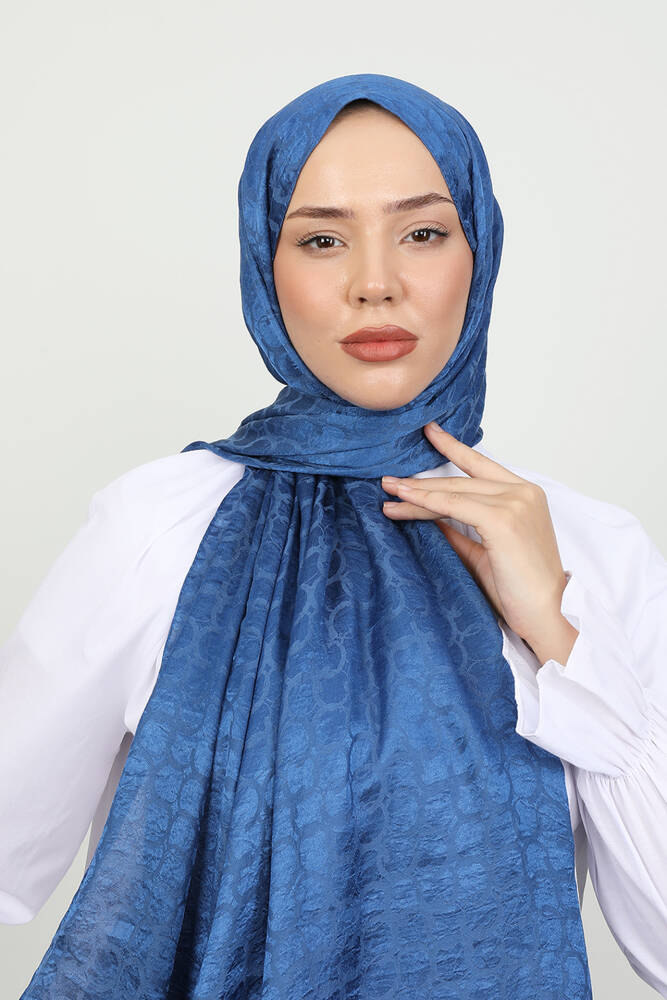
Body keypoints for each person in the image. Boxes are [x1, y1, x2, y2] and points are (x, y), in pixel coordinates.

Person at [1, 73, 666, 998]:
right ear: (263, 264)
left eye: (422, 233)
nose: (375, 284)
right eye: (321, 239)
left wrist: (556, 630)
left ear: (479, 253)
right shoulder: (157, 527)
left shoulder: (585, 546)